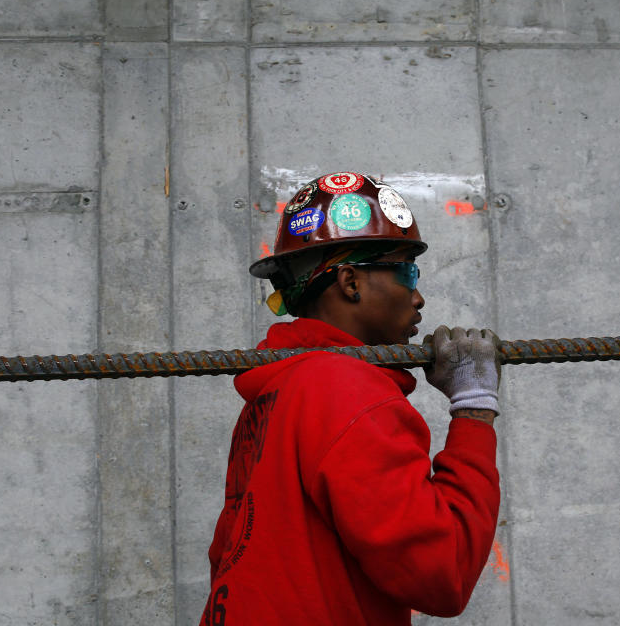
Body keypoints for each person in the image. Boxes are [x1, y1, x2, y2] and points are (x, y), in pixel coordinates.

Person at [200, 172, 501, 625]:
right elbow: (442, 572)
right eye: (406, 271)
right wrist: (474, 408)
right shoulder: (343, 387)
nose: (418, 297)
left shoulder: (279, 389)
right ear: (350, 281)